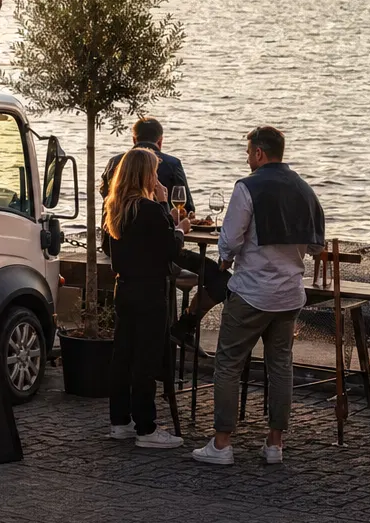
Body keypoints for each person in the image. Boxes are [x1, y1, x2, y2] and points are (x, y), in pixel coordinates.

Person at [193, 126, 323, 467]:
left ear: (260, 154)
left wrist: (223, 259)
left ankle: (222, 444)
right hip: (289, 295)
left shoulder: (247, 187)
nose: (247, 158)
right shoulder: (305, 190)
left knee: (228, 364)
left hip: (251, 292)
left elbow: (231, 240)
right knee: (280, 366)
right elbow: (316, 245)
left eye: (249, 152)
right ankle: (274, 443)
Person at [99, 117, 227, 338]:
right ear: (160, 141)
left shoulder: (114, 162)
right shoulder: (171, 164)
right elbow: (185, 210)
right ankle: (184, 325)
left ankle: (176, 332)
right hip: (153, 253)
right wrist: (175, 219)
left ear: (133, 138)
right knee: (221, 276)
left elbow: (106, 198)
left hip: (113, 245)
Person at [105, 147, 188, 450]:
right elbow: (170, 248)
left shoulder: (115, 207)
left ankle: (119, 421)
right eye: (153, 171)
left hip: (124, 288)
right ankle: (146, 427)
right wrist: (177, 225)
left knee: (123, 354)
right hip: (150, 290)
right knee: (147, 357)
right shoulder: (151, 209)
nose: (156, 177)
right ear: (144, 174)